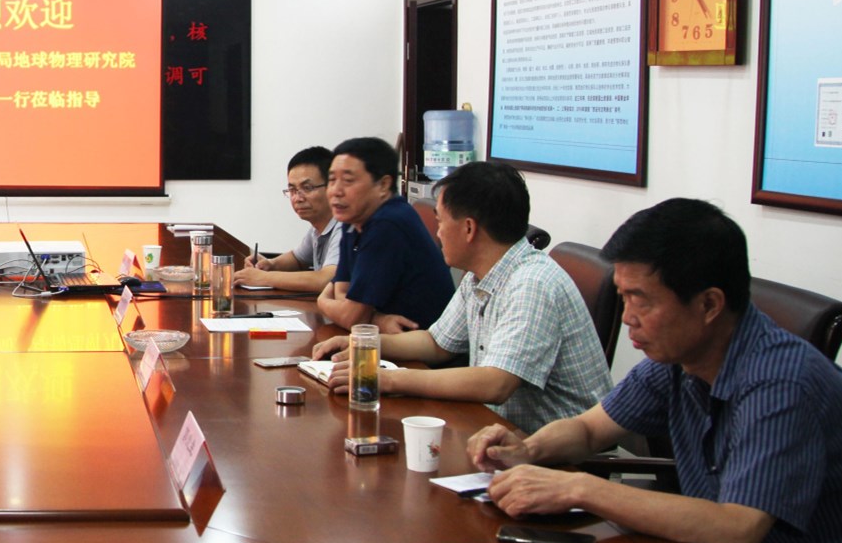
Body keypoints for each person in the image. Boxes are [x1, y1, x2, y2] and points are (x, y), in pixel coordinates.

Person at [467, 198, 842, 543]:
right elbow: (589, 429)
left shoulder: (783, 384)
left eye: (641, 300)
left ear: (709, 304)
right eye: (622, 297)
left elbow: (737, 532)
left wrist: (579, 489)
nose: (627, 317)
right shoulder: (680, 360)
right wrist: (528, 449)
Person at [313, 160, 608, 431]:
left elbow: (496, 383)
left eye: (441, 222)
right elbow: (437, 343)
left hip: (558, 452)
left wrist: (387, 379)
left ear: (468, 228)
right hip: (498, 429)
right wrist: (364, 344)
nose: (438, 233)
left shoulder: (532, 283)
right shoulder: (480, 274)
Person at [312, 136, 454, 333]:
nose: (336, 191)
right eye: (332, 180)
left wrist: (322, 301)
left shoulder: (388, 224)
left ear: (383, 185)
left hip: (420, 345)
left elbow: (350, 316)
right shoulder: (353, 219)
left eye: (348, 181)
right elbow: (341, 292)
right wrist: (376, 319)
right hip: (384, 338)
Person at [234, 145, 348, 294]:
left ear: (331, 186)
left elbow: (326, 280)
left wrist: (263, 278)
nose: (297, 198)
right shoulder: (317, 228)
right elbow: (297, 259)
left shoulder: (344, 226)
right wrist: (270, 264)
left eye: (307, 188)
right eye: (292, 190)